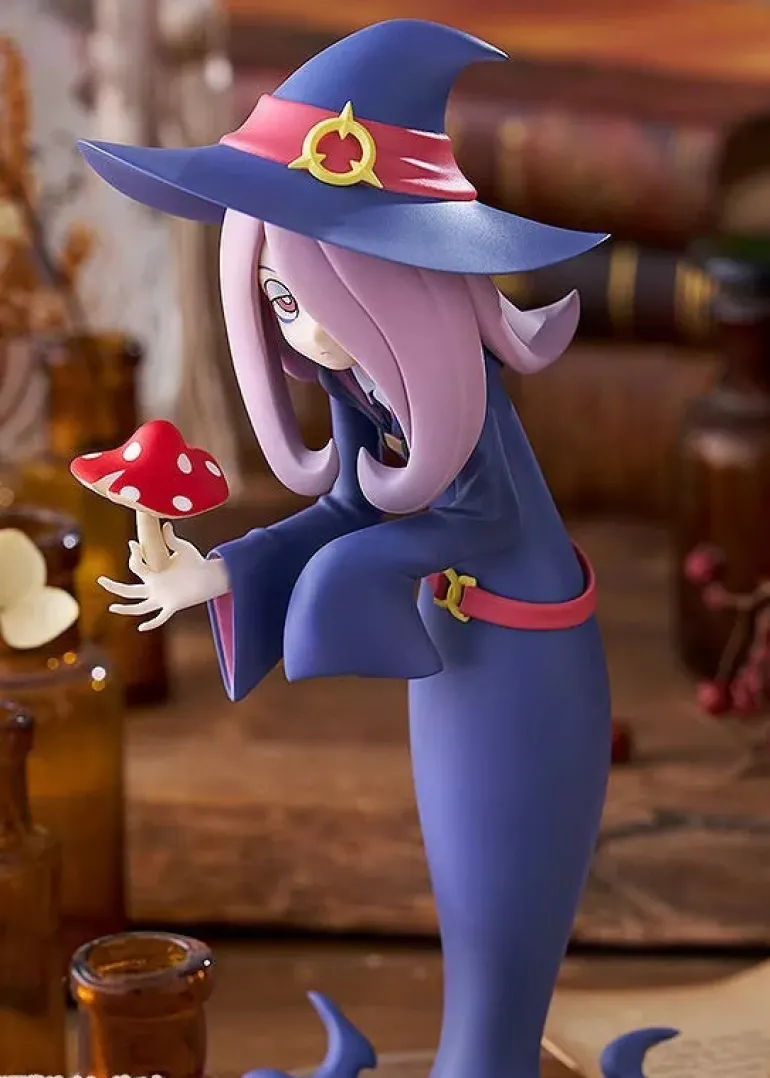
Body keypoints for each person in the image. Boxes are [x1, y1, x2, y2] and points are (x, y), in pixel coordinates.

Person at [78, 18, 665, 1078]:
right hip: (455, 649)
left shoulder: (463, 409)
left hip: (528, 662)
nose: (301, 333)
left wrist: (352, 571)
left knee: (504, 906)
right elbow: (350, 507)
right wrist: (216, 570)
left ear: (400, 287)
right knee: (463, 893)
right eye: (279, 300)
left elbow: (482, 524)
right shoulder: (363, 391)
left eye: (319, 297)